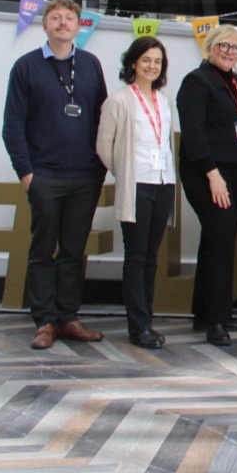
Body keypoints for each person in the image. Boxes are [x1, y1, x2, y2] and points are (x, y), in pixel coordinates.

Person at [2, 0, 109, 350]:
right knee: (42, 250)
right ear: (44, 25)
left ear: (79, 26)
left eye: (69, 18)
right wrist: (26, 174)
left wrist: (100, 167)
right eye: (56, 18)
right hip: (44, 176)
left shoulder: (91, 65)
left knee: (73, 251)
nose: (63, 23)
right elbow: (12, 126)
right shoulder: (26, 66)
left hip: (85, 177)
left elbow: (103, 120)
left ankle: (68, 317)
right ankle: (44, 321)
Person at [177, 24, 237, 347]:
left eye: (236, 48)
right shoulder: (196, 82)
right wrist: (213, 175)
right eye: (223, 46)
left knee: (217, 240)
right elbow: (194, 134)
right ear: (210, 47)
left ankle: (204, 311)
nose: (229, 52)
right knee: (220, 240)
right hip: (207, 173)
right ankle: (216, 320)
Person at [96, 36, 175, 349]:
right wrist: (126, 172)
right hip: (137, 185)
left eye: (157, 61)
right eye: (146, 60)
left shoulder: (163, 100)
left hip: (163, 183)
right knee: (137, 256)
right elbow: (104, 147)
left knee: (151, 257)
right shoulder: (119, 100)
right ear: (133, 63)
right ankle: (138, 327)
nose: (152, 66)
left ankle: (147, 321)